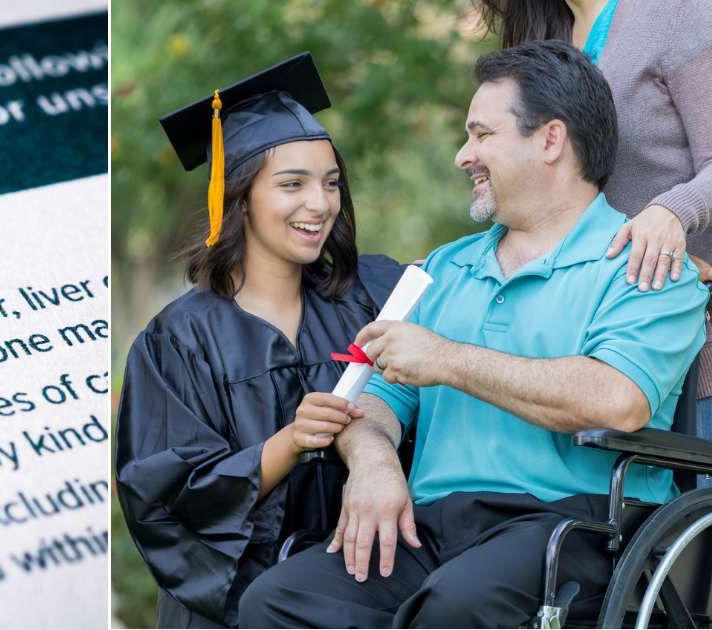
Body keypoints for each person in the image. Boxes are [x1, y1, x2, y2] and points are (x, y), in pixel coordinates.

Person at [237, 40, 708, 629]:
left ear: (550, 140)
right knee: (276, 602)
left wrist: (447, 359)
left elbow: (617, 399)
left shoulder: (645, 266)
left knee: (457, 607)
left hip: (573, 527)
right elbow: (372, 400)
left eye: (481, 135)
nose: (464, 155)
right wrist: (374, 462)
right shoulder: (441, 269)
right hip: (430, 527)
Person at [115, 54, 405, 628]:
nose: (319, 204)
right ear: (240, 196)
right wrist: (290, 442)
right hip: (235, 612)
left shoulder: (372, 295)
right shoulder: (178, 340)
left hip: (366, 596)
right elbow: (165, 496)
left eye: (330, 183)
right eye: (291, 184)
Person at [474, 0, 712, 485]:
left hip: (690, 349)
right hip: (581, 356)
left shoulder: (680, 13)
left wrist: (673, 210)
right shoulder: (541, 34)